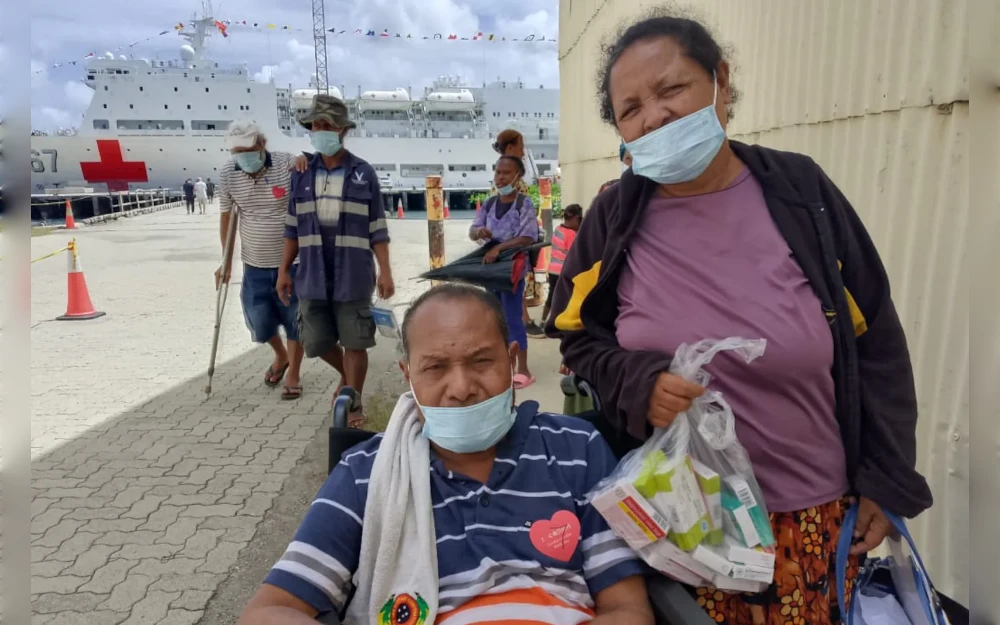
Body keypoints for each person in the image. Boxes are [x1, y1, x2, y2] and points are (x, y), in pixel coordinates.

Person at [546, 12, 932, 625]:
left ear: (720, 83)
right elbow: (575, 336)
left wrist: (888, 477)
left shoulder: (802, 193)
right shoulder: (615, 216)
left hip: (816, 518)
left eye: (672, 90)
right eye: (631, 109)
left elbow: (876, 341)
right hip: (681, 523)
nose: (655, 116)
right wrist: (636, 382)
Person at [237, 284, 653, 625]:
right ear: (408, 375)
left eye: (481, 361)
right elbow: (270, 611)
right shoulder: (367, 475)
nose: (460, 387)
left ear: (511, 361)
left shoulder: (576, 449)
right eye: (435, 367)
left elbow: (627, 608)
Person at [279, 94, 395, 428]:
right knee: (314, 342)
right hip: (311, 273)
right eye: (315, 125)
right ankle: (347, 377)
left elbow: (378, 228)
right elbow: (291, 228)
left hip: (354, 274)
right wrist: (284, 270)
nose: (320, 131)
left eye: (327, 125)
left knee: (356, 341)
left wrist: (385, 271)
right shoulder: (300, 173)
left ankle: (354, 401)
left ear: (342, 130)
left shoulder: (363, 173)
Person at [216, 121, 305, 399]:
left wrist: (305, 160)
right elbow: (227, 217)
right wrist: (226, 262)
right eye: (237, 151)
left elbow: (307, 176)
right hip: (253, 262)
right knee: (259, 320)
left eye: (248, 149)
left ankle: (293, 373)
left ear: (261, 144)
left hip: (292, 262)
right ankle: (281, 355)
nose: (243, 155)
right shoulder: (228, 174)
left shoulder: (285, 164)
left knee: (294, 319)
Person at [470, 155, 538, 389]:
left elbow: (528, 236)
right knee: (491, 317)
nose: (500, 177)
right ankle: (500, 364)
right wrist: (479, 233)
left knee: (511, 316)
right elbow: (473, 228)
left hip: (512, 269)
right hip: (491, 270)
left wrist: (499, 247)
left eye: (506, 173)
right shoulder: (488, 204)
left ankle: (524, 369)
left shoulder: (524, 204)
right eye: (498, 172)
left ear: (518, 177)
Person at [493, 129, 546, 338]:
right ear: (511, 148)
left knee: (513, 286)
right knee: (514, 285)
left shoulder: (504, 174)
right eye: (521, 147)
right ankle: (521, 323)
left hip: (507, 243)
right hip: (512, 243)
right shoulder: (511, 178)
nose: (523, 152)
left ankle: (519, 321)